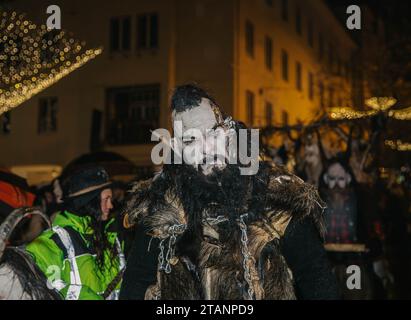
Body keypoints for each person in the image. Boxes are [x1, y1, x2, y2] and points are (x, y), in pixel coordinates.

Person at [120, 84, 339, 300]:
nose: (206, 148)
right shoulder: (161, 208)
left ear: (229, 133)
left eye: (213, 133)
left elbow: (314, 275)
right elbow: (137, 281)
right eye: (191, 140)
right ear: (178, 150)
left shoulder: (277, 198)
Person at [25, 166, 125, 300]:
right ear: (90, 201)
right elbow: (47, 287)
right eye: (106, 199)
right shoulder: (52, 242)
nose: (111, 206)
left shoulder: (110, 237)